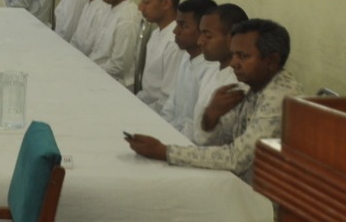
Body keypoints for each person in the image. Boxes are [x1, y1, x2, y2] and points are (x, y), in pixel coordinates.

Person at [127, 18, 302, 182]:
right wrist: (211, 116)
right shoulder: (253, 84)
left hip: (270, 194)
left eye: (243, 56)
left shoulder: (280, 96)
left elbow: (237, 159)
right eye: (233, 54)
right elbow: (221, 141)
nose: (233, 63)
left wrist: (165, 152)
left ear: (272, 60)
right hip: (241, 182)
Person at [156, 0, 218, 139]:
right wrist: (159, 129)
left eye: (183, 26)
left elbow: (194, 126)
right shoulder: (185, 56)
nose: (175, 31)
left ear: (203, 29)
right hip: (172, 132)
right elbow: (171, 104)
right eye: (177, 24)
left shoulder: (212, 69)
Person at [86, 0, 142, 89]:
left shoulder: (128, 18)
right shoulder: (108, 8)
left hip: (117, 83)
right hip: (98, 71)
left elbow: (118, 66)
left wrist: (89, 71)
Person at [135, 0, 185, 111]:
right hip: (145, 103)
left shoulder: (175, 42)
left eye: (146, 2)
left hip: (159, 113)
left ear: (166, 3)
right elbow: (148, 90)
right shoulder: (157, 32)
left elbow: (167, 98)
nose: (140, 7)